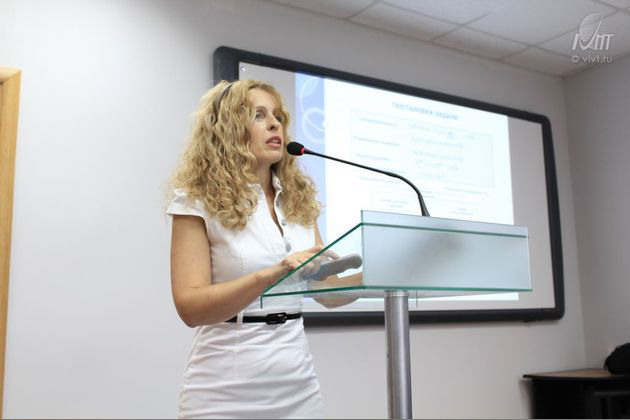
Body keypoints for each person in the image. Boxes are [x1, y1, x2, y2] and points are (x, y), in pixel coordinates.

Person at [166, 79, 328, 419]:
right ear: (228, 129)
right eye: (258, 115)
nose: (274, 124)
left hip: (297, 384)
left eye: (278, 116)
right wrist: (273, 274)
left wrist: (376, 271)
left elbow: (328, 293)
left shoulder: (299, 201)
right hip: (224, 388)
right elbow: (190, 308)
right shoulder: (196, 202)